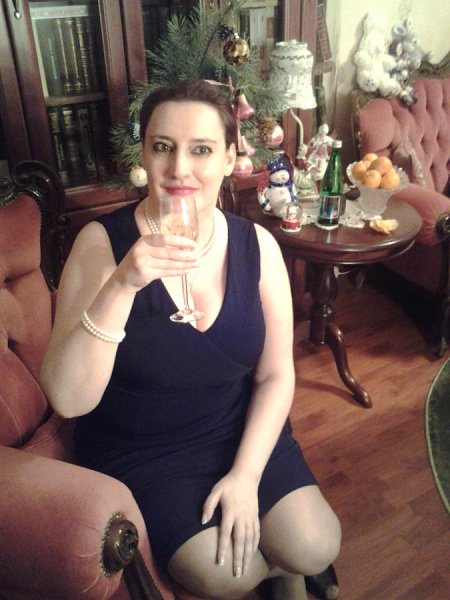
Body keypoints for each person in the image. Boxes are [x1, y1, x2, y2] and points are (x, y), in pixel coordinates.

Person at [40, 79, 341, 600]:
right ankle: (281, 575)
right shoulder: (100, 244)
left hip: (236, 426)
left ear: (229, 157)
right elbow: (68, 399)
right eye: (163, 146)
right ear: (144, 154)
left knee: (316, 545)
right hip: (144, 449)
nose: (179, 168)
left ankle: (290, 571)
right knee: (227, 575)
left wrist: (246, 476)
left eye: (201, 149)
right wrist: (123, 285)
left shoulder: (258, 245)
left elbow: (275, 375)